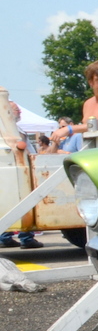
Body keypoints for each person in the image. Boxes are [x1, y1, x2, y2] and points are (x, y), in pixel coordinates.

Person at [48, 61, 98, 148]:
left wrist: (69, 129)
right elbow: (85, 129)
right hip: (92, 153)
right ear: (91, 82)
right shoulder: (88, 103)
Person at [1, 101, 41, 249]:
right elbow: (23, 150)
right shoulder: (13, 132)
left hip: (14, 173)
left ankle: (4, 236)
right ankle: (26, 238)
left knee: (10, 204)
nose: (20, 113)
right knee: (27, 204)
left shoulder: (10, 130)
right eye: (17, 110)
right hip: (21, 173)